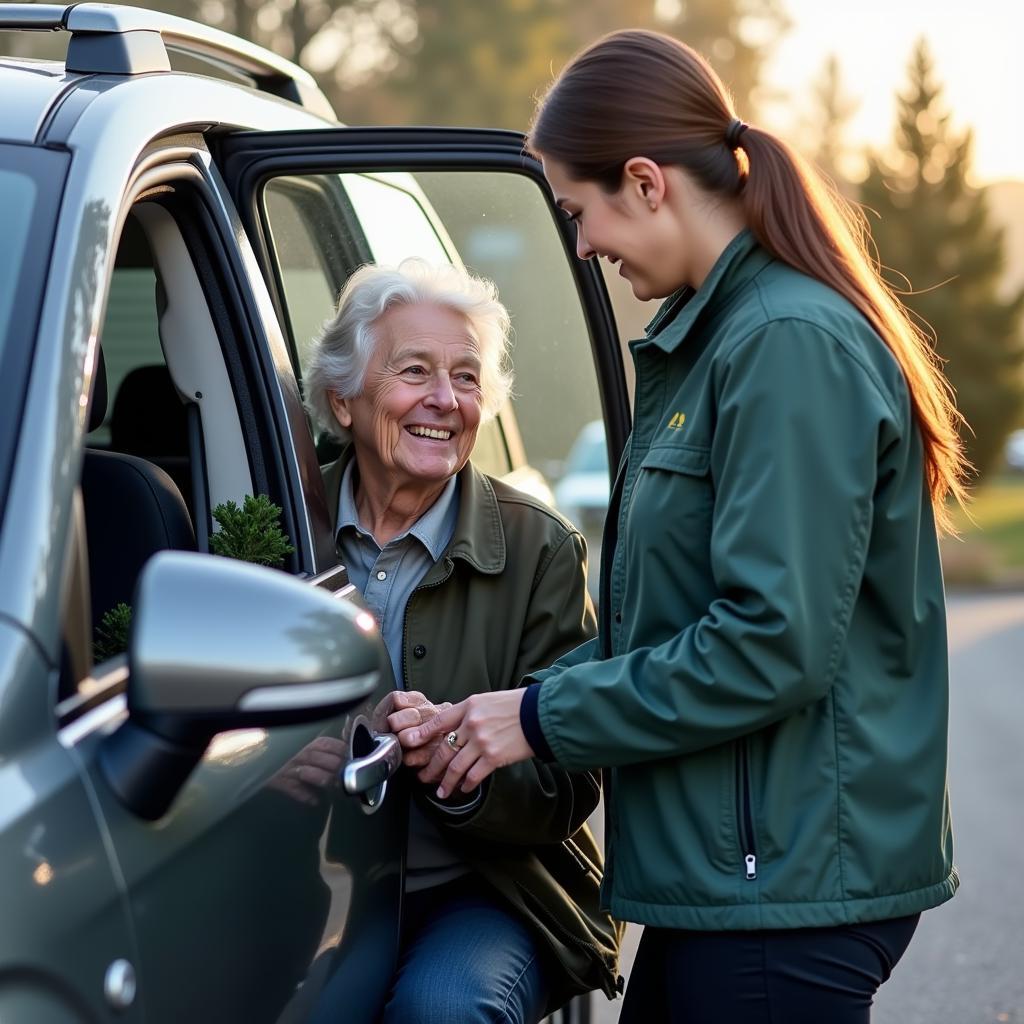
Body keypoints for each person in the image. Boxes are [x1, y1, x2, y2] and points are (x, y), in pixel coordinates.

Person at [398, 29, 967, 1024]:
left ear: (647, 181)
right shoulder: (720, 343)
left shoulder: (783, 342)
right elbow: (668, 633)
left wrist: (533, 718)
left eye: (580, 213)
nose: (581, 246)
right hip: (738, 882)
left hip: (781, 891)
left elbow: (769, 643)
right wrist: (511, 709)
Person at [303, 257, 621, 1024]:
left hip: (483, 888)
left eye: (468, 378)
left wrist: (460, 766)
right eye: (415, 371)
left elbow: (573, 777)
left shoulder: (540, 547)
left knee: (442, 1011)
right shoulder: (270, 513)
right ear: (343, 399)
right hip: (298, 888)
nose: (445, 401)